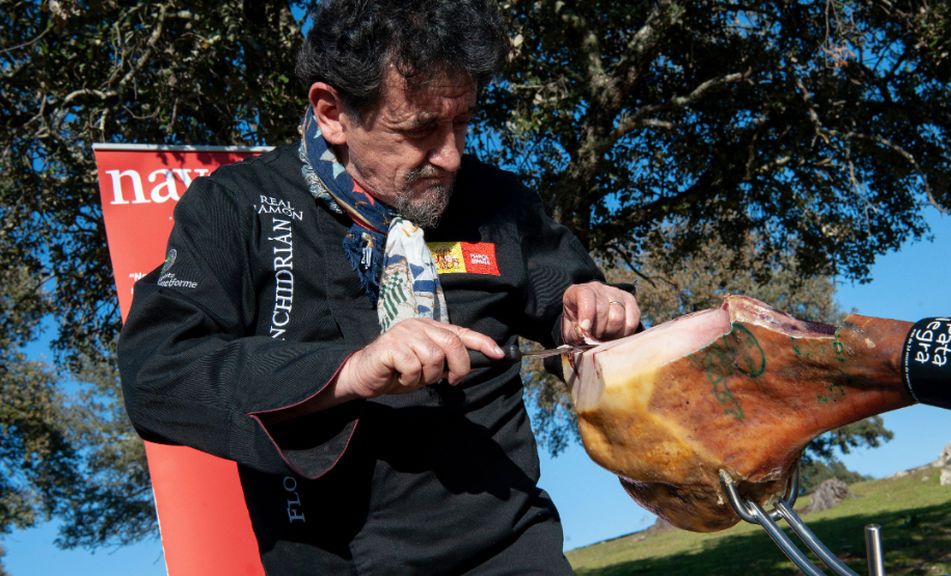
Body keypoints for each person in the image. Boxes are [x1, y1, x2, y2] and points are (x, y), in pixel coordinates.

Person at [118, 0, 641, 573]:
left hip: (512, 550)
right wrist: (349, 371)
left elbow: (568, 296)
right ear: (331, 112)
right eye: (418, 130)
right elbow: (158, 374)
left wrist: (594, 308)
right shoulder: (235, 207)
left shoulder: (501, 203)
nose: (450, 156)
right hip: (333, 559)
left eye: (462, 123)